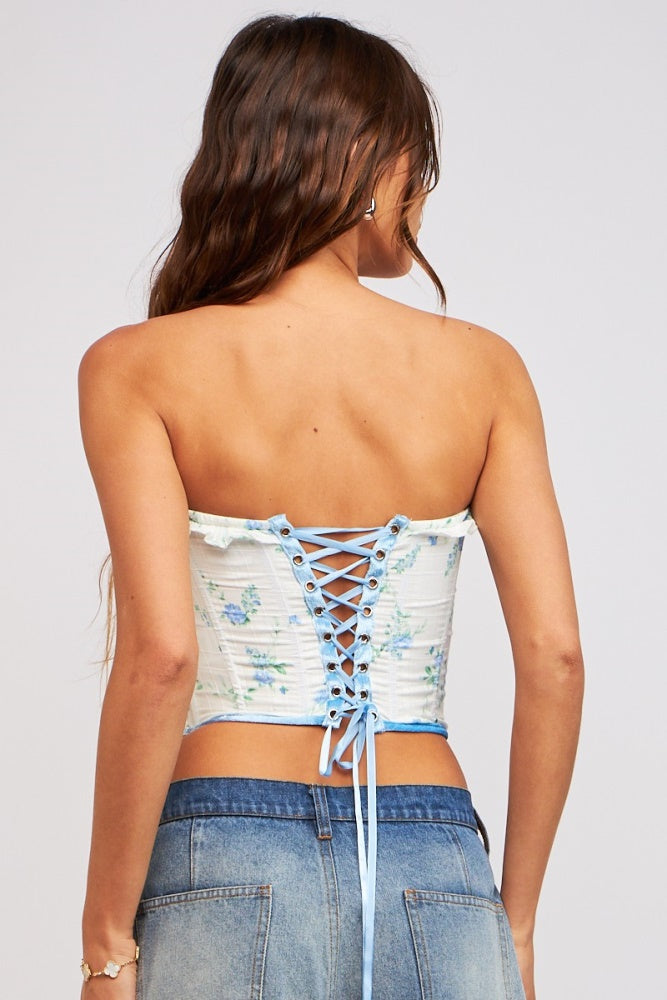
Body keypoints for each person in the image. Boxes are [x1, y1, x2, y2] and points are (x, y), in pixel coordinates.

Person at [78, 13, 584, 1000]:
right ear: (362, 162)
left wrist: (106, 941)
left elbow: (162, 657)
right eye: (413, 160)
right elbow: (556, 657)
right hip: (436, 864)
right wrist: (514, 922)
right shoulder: (485, 371)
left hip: (227, 856)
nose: (422, 191)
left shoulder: (137, 368)